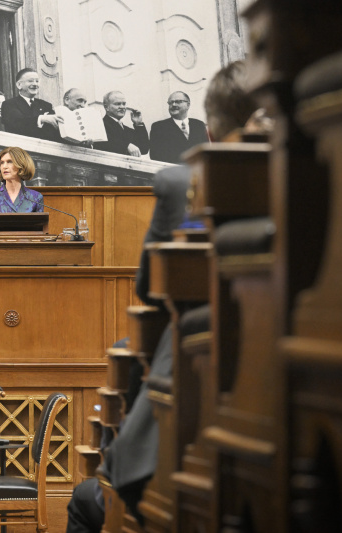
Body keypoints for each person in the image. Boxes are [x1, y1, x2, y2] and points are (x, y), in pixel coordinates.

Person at [66, 61, 261, 533]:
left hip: (200, 384)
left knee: (89, 496)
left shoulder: (182, 184)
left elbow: (150, 291)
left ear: (210, 127)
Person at [1, 68, 62, 141]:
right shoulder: (9, 104)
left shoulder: (46, 105)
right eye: (30, 81)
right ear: (19, 85)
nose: (35, 84)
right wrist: (42, 119)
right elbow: (18, 124)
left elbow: (53, 132)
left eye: (37, 81)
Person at [149, 91, 209, 163]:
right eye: (170, 103)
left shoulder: (199, 125)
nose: (173, 105)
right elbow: (155, 156)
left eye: (178, 102)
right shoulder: (159, 127)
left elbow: (206, 152)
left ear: (188, 105)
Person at [0, 147, 43, 213]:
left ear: (21, 165)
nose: (4, 166)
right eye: (2, 162)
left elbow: (41, 223)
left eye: (10, 162)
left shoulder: (36, 197)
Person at [94, 90, 149, 157]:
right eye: (118, 104)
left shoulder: (127, 130)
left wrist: (138, 124)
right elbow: (102, 145)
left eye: (124, 104)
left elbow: (144, 149)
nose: (122, 107)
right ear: (106, 107)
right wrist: (126, 146)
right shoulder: (99, 125)